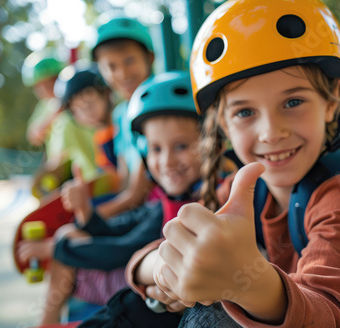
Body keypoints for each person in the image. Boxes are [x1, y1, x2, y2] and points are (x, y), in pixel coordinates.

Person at [127, 1, 340, 327]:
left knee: (216, 313)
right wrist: (165, 269)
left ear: (331, 100)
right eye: (245, 112)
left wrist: (243, 282)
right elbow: (149, 256)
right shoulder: (247, 193)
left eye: (293, 102)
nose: (272, 133)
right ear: (223, 121)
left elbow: (331, 316)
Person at [31, 71, 206, 325]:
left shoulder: (192, 204)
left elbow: (121, 250)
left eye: (181, 146)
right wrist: (85, 211)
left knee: (65, 244)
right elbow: (119, 230)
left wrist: (56, 249)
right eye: (156, 148)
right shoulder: (164, 201)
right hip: (142, 289)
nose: (167, 161)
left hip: (145, 292)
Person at [88, 16, 158, 219]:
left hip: (154, 209)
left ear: (149, 57)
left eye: (129, 61)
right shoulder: (120, 115)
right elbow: (123, 180)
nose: (122, 73)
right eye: (111, 66)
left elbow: (137, 195)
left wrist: (89, 218)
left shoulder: (155, 106)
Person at [22, 52, 99, 182]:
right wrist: (55, 113)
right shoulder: (44, 106)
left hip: (90, 165)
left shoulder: (76, 95)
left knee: (68, 122)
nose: (45, 90)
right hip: (61, 171)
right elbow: (34, 136)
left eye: (49, 83)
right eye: (39, 87)